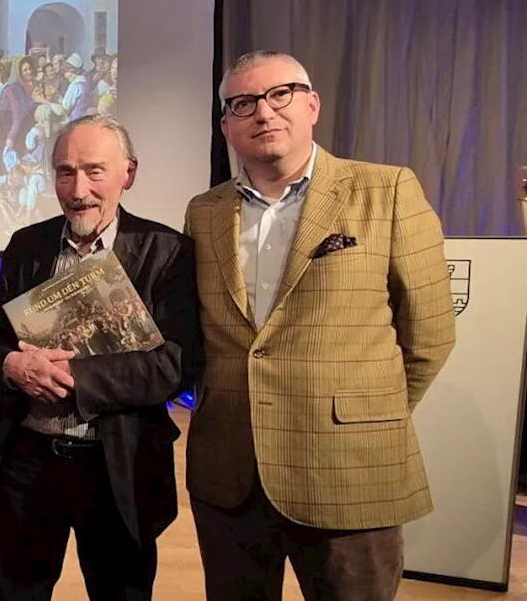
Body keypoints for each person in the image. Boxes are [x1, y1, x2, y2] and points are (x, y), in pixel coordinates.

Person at [183, 50, 457, 600]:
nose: (263, 113)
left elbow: (429, 332)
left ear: (312, 104)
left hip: (348, 468)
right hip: (231, 470)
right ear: (225, 126)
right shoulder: (203, 211)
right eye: (243, 103)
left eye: (279, 94)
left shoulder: (388, 190)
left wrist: (365, 413)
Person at [0, 114, 203, 600]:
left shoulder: (166, 251)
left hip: (118, 464)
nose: (78, 189)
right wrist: (13, 365)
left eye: (95, 171)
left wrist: (73, 375)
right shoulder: (27, 245)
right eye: (64, 172)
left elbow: (175, 364)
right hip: (28, 463)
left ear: (128, 174)